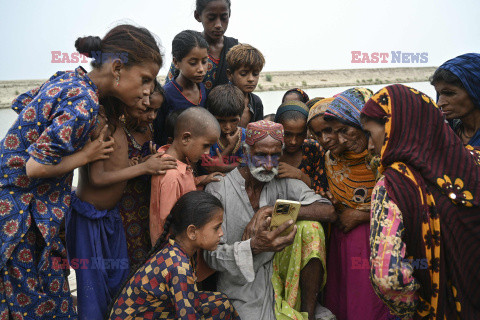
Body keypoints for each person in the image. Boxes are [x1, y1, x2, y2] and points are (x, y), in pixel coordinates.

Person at [0, 24, 161, 319]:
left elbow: (21, 102)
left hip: (21, 209)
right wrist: (85, 154)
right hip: (20, 215)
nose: (148, 90)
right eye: (145, 79)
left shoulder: (69, 79)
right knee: (37, 305)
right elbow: (34, 166)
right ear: (116, 68)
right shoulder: (84, 103)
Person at [361, 84, 480, 319]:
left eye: (369, 133)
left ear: (393, 126)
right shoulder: (474, 159)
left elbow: (388, 276)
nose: (369, 145)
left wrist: (410, 310)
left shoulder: (393, 185)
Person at [204, 120, 336, 320]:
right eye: (261, 156)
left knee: (311, 227)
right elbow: (210, 256)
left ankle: (309, 312)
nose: (268, 164)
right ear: (246, 153)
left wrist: (274, 210)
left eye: (274, 156)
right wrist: (253, 247)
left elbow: (329, 211)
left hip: (284, 277)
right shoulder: (219, 189)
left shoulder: (283, 181)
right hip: (243, 287)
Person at [67, 94, 178, 319]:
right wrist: (143, 168)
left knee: (116, 278)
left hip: (110, 215)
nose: (146, 105)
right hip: (90, 218)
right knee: (92, 287)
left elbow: (111, 166)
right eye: (142, 93)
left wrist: (134, 164)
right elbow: (97, 178)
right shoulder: (103, 127)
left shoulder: (115, 125)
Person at [107, 191, 240, 320]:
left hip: (152, 312)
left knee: (222, 304)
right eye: (216, 228)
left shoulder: (179, 249)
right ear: (192, 232)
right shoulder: (178, 266)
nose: (221, 233)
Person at [320, 88, 392, 320]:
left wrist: (360, 216)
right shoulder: (332, 158)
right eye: (334, 132)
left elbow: (405, 204)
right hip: (341, 236)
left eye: (345, 130)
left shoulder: (387, 158)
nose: (340, 139)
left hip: (377, 237)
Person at [149, 107, 220, 245]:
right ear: (186, 138)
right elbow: (168, 222)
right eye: (205, 145)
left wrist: (200, 180)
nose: (207, 153)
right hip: (173, 249)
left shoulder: (180, 162)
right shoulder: (171, 175)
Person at [118, 81, 166, 267]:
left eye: (157, 111)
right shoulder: (118, 130)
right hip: (126, 206)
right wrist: (141, 164)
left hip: (148, 201)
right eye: (148, 110)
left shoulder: (150, 129)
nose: (152, 116)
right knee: (132, 256)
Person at [166, 0, 238, 94]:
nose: (218, 25)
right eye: (211, 18)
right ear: (198, 16)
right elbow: (169, 89)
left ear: (229, 14)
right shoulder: (188, 46)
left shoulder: (234, 49)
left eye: (224, 17)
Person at [155, 30, 209, 145]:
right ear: (176, 62)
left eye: (204, 62)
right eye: (193, 63)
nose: (201, 69)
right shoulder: (167, 95)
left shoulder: (202, 90)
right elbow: (158, 134)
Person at [275, 100, 328, 194]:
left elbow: (323, 190)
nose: (293, 141)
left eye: (300, 135)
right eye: (287, 134)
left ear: (307, 132)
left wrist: (300, 175)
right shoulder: (268, 150)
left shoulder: (313, 149)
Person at [430, 53, 480, 146]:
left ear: (475, 91)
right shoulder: (443, 134)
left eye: (449, 93)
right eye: (439, 94)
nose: (439, 103)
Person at [203, 84, 246, 173]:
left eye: (234, 120)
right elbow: (209, 167)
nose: (227, 127)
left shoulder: (246, 136)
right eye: (221, 121)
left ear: (240, 116)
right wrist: (229, 147)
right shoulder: (207, 138)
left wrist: (222, 168)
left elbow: (247, 165)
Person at [226, 43, 265, 127]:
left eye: (255, 74)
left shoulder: (256, 102)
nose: (251, 79)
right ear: (230, 74)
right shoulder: (220, 98)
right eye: (243, 74)